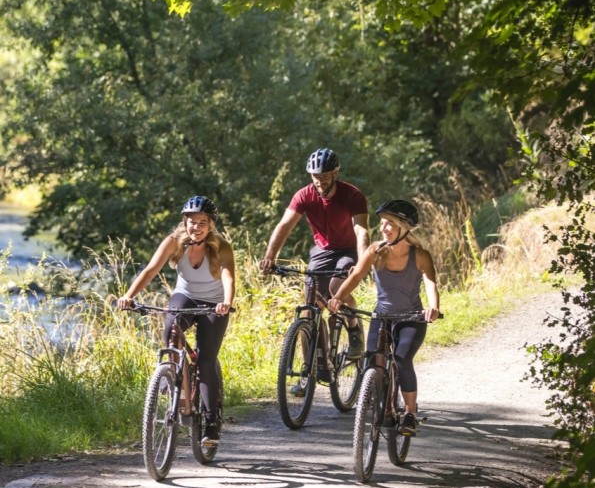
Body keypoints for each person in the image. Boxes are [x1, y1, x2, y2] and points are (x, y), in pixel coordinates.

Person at [118, 195, 235, 446]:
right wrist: (129, 296)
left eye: (202, 222)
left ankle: (211, 422)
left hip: (215, 303)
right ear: (185, 222)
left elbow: (228, 276)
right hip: (186, 297)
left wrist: (227, 301)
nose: (197, 227)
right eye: (192, 222)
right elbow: (151, 270)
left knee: (205, 361)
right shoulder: (173, 242)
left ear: (211, 224)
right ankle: (172, 375)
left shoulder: (221, 245)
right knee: (172, 323)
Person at [328, 199, 440, 435]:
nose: (384, 228)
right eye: (382, 224)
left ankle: (409, 413)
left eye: (390, 223)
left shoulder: (420, 255)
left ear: (404, 226)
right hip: (383, 317)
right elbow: (356, 276)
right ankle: (381, 404)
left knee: (401, 359)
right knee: (373, 359)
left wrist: (433, 307)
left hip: (412, 319)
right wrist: (338, 297)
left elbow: (430, 283)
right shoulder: (375, 251)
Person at [260, 147, 369, 356]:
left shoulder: (352, 195)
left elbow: (361, 231)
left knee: (338, 289)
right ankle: (311, 366)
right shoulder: (304, 195)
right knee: (311, 305)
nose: (320, 181)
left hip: (347, 249)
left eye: (325, 176)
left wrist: (363, 259)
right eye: (315, 176)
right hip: (322, 250)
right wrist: (269, 257)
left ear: (335, 174)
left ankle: (354, 329)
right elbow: (284, 226)